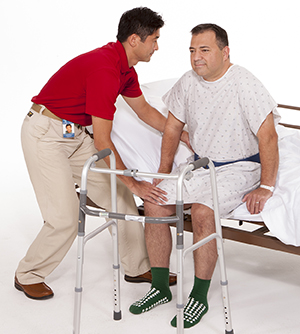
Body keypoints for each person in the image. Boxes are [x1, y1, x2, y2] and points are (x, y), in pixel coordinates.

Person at [15, 7, 184, 300]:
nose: (157, 46)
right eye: (154, 39)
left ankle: (136, 266)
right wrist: (133, 181)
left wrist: (182, 134)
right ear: (134, 39)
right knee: (65, 217)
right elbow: (104, 139)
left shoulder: (125, 69)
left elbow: (144, 111)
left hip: (75, 135)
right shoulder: (105, 70)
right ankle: (28, 274)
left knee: (120, 198)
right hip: (46, 135)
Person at [129, 23, 280, 329]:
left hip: (241, 167)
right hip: (202, 165)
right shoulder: (188, 82)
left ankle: (199, 295)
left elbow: (269, 137)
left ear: (225, 52)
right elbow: (172, 127)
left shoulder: (245, 83)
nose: (197, 57)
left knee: (201, 212)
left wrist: (265, 186)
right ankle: (159, 287)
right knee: (155, 204)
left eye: (205, 50)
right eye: (192, 50)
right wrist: (163, 170)